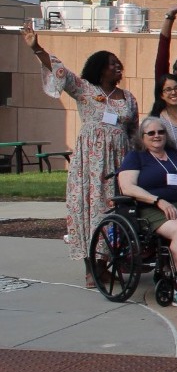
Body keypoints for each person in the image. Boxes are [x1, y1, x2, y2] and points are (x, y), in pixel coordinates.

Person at [23, 23, 138, 275]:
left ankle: (109, 261)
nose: (117, 66)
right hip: (91, 162)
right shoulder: (84, 89)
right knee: (90, 208)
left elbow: (134, 132)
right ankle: (92, 267)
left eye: (118, 63)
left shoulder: (128, 97)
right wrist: (37, 48)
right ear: (99, 67)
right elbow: (59, 70)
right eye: (111, 63)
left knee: (115, 208)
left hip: (120, 162)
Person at [117, 117, 177, 308]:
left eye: (161, 132)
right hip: (152, 209)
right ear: (142, 137)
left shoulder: (176, 155)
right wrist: (158, 200)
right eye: (151, 133)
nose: (157, 136)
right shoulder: (136, 157)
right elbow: (127, 187)